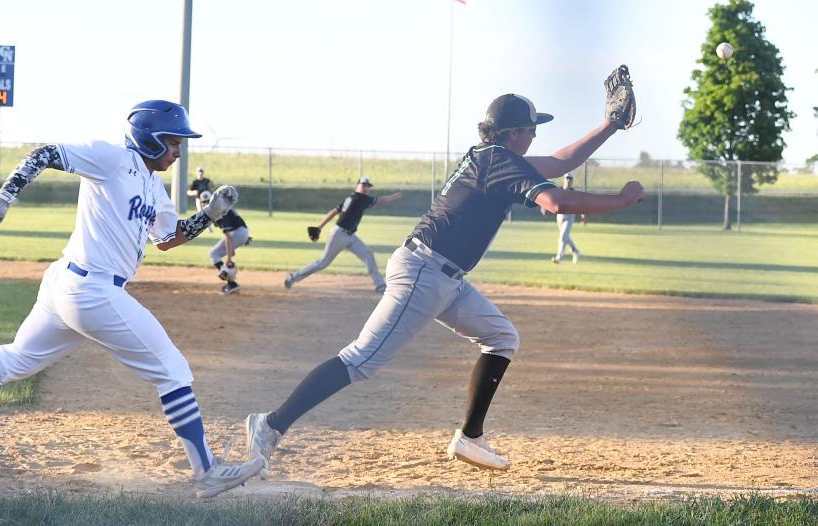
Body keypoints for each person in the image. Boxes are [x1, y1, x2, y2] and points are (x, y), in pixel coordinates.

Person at [0, 100, 263, 498]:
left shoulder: (155, 188)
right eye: (173, 142)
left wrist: (209, 216)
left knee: (15, 361)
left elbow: (166, 239)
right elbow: (47, 153)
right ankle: (206, 471)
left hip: (70, 285)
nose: (178, 151)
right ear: (150, 139)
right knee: (173, 370)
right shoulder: (112, 158)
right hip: (92, 289)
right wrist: (6, 195)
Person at [244, 85, 644, 475]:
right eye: (530, 129)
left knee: (502, 338)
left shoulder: (493, 157)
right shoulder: (498, 160)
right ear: (510, 133)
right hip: (424, 271)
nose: (535, 135)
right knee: (361, 360)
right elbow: (556, 200)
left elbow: (559, 163)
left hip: (443, 276)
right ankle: (271, 424)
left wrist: (609, 125)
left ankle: (470, 437)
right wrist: (621, 202)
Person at [284, 177, 403, 292]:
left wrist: (320, 226)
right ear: (357, 186)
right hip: (339, 236)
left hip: (350, 236)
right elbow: (381, 201)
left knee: (368, 254)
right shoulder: (359, 198)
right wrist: (395, 196)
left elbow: (335, 211)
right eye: (363, 185)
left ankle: (379, 284)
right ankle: (293, 277)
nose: (365, 188)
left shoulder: (351, 198)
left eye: (367, 186)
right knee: (322, 263)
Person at [200, 190, 251, 295]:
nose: (205, 204)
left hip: (238, 233)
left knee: (214, 254)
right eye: (203, 202)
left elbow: (228, 236)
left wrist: (228, 259)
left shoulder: (220, 211)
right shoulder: (219, 208)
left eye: (207, 201)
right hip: (241, 232)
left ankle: (230, 280)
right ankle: (229, 279)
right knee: (215, 253)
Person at [546, 173, 585, 264]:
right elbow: (552, 200)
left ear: (572, 181)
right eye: (567, 178)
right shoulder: (558, 190)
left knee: (562, 237)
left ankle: (559, 258)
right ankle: (575, 251)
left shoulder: (573, 193)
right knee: (565, 237)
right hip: (560, 216)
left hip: (570, 216)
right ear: (563, 180)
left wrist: (583, 216)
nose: (568, 180)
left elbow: (581, 205)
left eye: (570, 179)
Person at [187, 166, 215, 231]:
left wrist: (210, 191)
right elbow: (188, 192)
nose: (200, 173)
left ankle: (208, 226)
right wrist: (193, 192)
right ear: (196, 173)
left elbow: (212, 188)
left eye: (201, 171)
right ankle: (202, 227)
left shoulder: (207, 181)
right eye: (199, 171)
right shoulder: (194, 182)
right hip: (199, 200)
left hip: (207, 200)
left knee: (209, 213)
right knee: (201, 213)